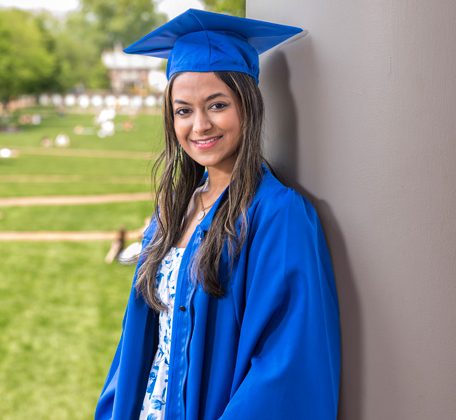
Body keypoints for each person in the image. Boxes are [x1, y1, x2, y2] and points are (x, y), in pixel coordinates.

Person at [95, 9, 341, 420]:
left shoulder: (278, 215)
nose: (200, 125)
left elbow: (286, 362)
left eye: (217, 104)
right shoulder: (172, 212)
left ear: (248, 106)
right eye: (183, 110)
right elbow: (137, 345)